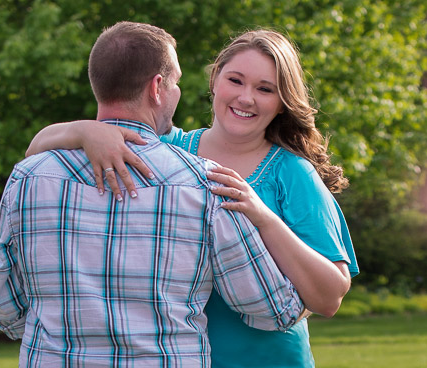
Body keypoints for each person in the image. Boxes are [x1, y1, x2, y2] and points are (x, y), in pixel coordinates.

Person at [25, 29, 359, 367]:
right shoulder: (167, 149)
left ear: (281, 101)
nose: (246, 98)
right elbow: (34, 152)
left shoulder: (293, 173)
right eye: (236, 80)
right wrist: (85, 131)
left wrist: (264, 218)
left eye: (264, 89)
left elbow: (329, 298)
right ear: (215, 80)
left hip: (268, 359)